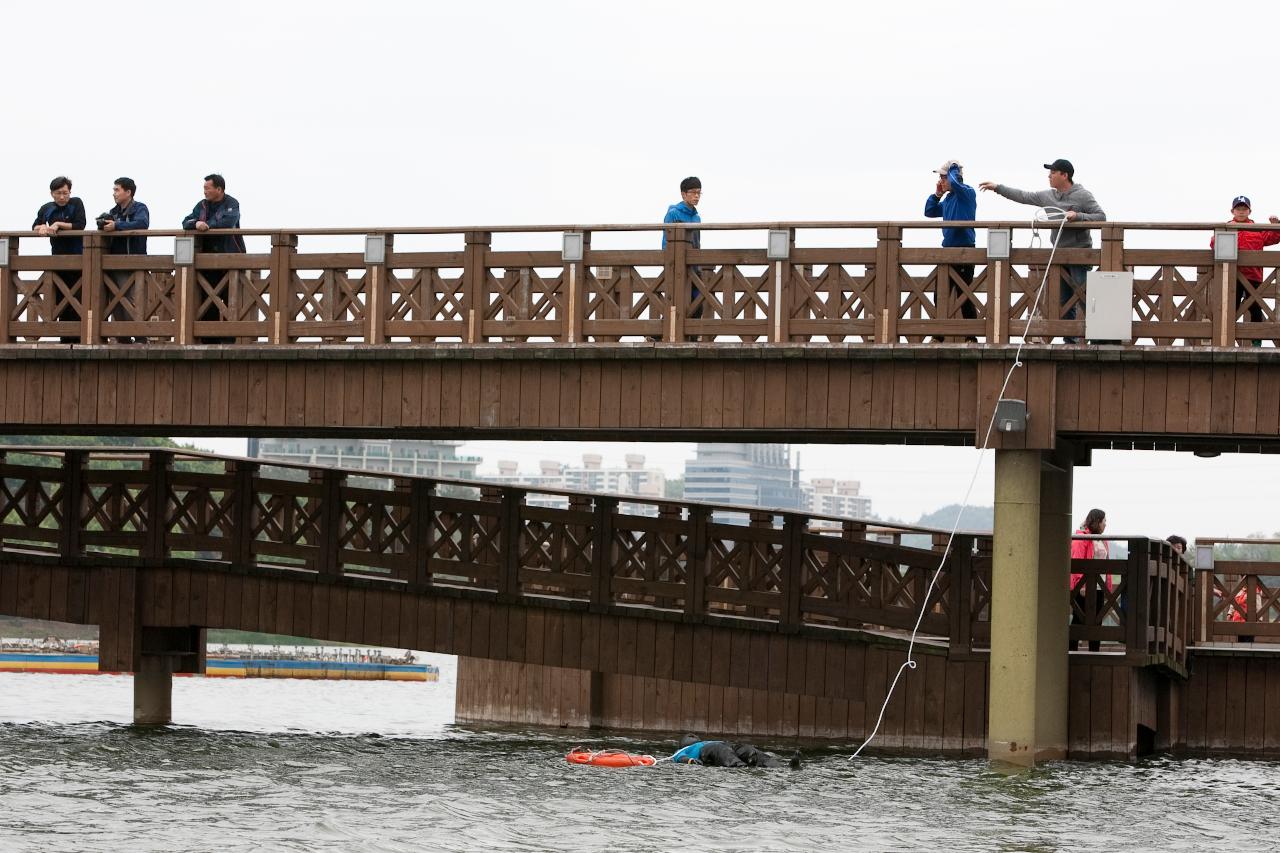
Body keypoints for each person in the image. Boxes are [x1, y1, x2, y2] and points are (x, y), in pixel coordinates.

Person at [979, 159, 1106, 344]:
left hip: (1080, 254)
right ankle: (1069, 340)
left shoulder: (1083, 195)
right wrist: (998, 187)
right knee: (1063, 300)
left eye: (1053, 172)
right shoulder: (1048, 196)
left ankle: (1098, 338)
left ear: (1065, 175)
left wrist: (1078, 216)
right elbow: (1023, 196)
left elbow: (1101, 217)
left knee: (1085, 296)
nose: (1049, 176)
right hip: (1059, 256)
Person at [182, 173, 246, 343]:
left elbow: (228, 222)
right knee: (206, 298)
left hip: (229, 259)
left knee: (228, 298)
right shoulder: (202, 205)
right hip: (205, 261)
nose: (204, 191)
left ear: (219, 189)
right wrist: (195, 224)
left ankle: (228, 339)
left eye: (207, 188)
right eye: (204, 188)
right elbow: (185, 221)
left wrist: (207, 225)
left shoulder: (232, 203)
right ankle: (208, 338)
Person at [1209, 196, 1280, 347]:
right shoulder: (1226, 227)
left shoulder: (1257, 229)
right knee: (1230, 307)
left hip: (1254, 275)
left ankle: (1256, 340)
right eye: (1238, 209)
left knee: (1255, 308)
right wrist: (1221, 235)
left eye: (1244, 209)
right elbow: (1214, 244)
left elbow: (1274, 237)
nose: (1241, 212)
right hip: (1232, 275)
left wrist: (1276, 225)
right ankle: (1227, 340)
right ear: (1232, 211)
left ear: (1249, 211)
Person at [924, 159, 978, 342]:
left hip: (964, 251)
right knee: (940, 294)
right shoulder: (948, 199)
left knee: (965, 295)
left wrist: (954, 170)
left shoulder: (967, 193)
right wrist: (937, 194)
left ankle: (972, 337)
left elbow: (955, 183)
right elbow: (929, 211)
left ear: (955, 176)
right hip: (947, 252)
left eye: (943, 177)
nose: (941, 181)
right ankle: (938, 335)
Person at [31, 176, 86, 342]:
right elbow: (35, 225)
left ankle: (78, 336)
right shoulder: (47, 208)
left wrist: (58, 225)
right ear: (52, 194)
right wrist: (41, 227)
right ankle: (65, 337)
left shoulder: (76, 203)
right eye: (58, 193)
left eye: (65, 193)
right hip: (58, 259)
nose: (62, 197)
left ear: (70, 192)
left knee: (78, 296)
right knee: (61, 297)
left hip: (78, 259)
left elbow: (80, 224)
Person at [97, 177, 150, 343]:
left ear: (128, 192)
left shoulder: (140, 208)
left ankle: (140, 335)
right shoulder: (114, 212)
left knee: (133, 298)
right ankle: (122, 336)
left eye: (117, 190)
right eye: (114, 190)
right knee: (116, 299)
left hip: (134, 261)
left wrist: (117, 225)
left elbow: (142, 223)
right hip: (114, 261)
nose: (114, 193)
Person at [662, 177, 704, 324]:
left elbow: (698, 242)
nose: (697, 196)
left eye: (699, 193)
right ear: (683, 194)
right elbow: (665, 241)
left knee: (698, 300)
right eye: (693, 192)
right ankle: (659, 334)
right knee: (675, 300)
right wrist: (670, 262)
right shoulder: (673, 214)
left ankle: (691, 336)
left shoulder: (697, 217)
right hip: (676, 264)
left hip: (694, 265)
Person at [1069, 508, 1110, 652]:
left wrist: (1107, 587)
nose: (1106, 524)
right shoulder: (1081, 538)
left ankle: (1095, 652)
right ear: (1097, 521)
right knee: (1078, 619)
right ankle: (1071, 651)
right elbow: (1077, 561)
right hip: (1084, 587)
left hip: (1099, 586)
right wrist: (1081, 585)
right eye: (1104, 521)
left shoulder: (1102, 540)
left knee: (1097, 621)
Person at [671, 734, 800, 769]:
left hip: (727, 745)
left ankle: (781, 766)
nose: (693, 735)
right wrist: (690, 760)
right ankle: (740, 766)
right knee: (723, 751)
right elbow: (679, 758)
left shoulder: (706, 741)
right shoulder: (683, 750)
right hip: (713, 750)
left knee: (748, 749)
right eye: (690, 735)